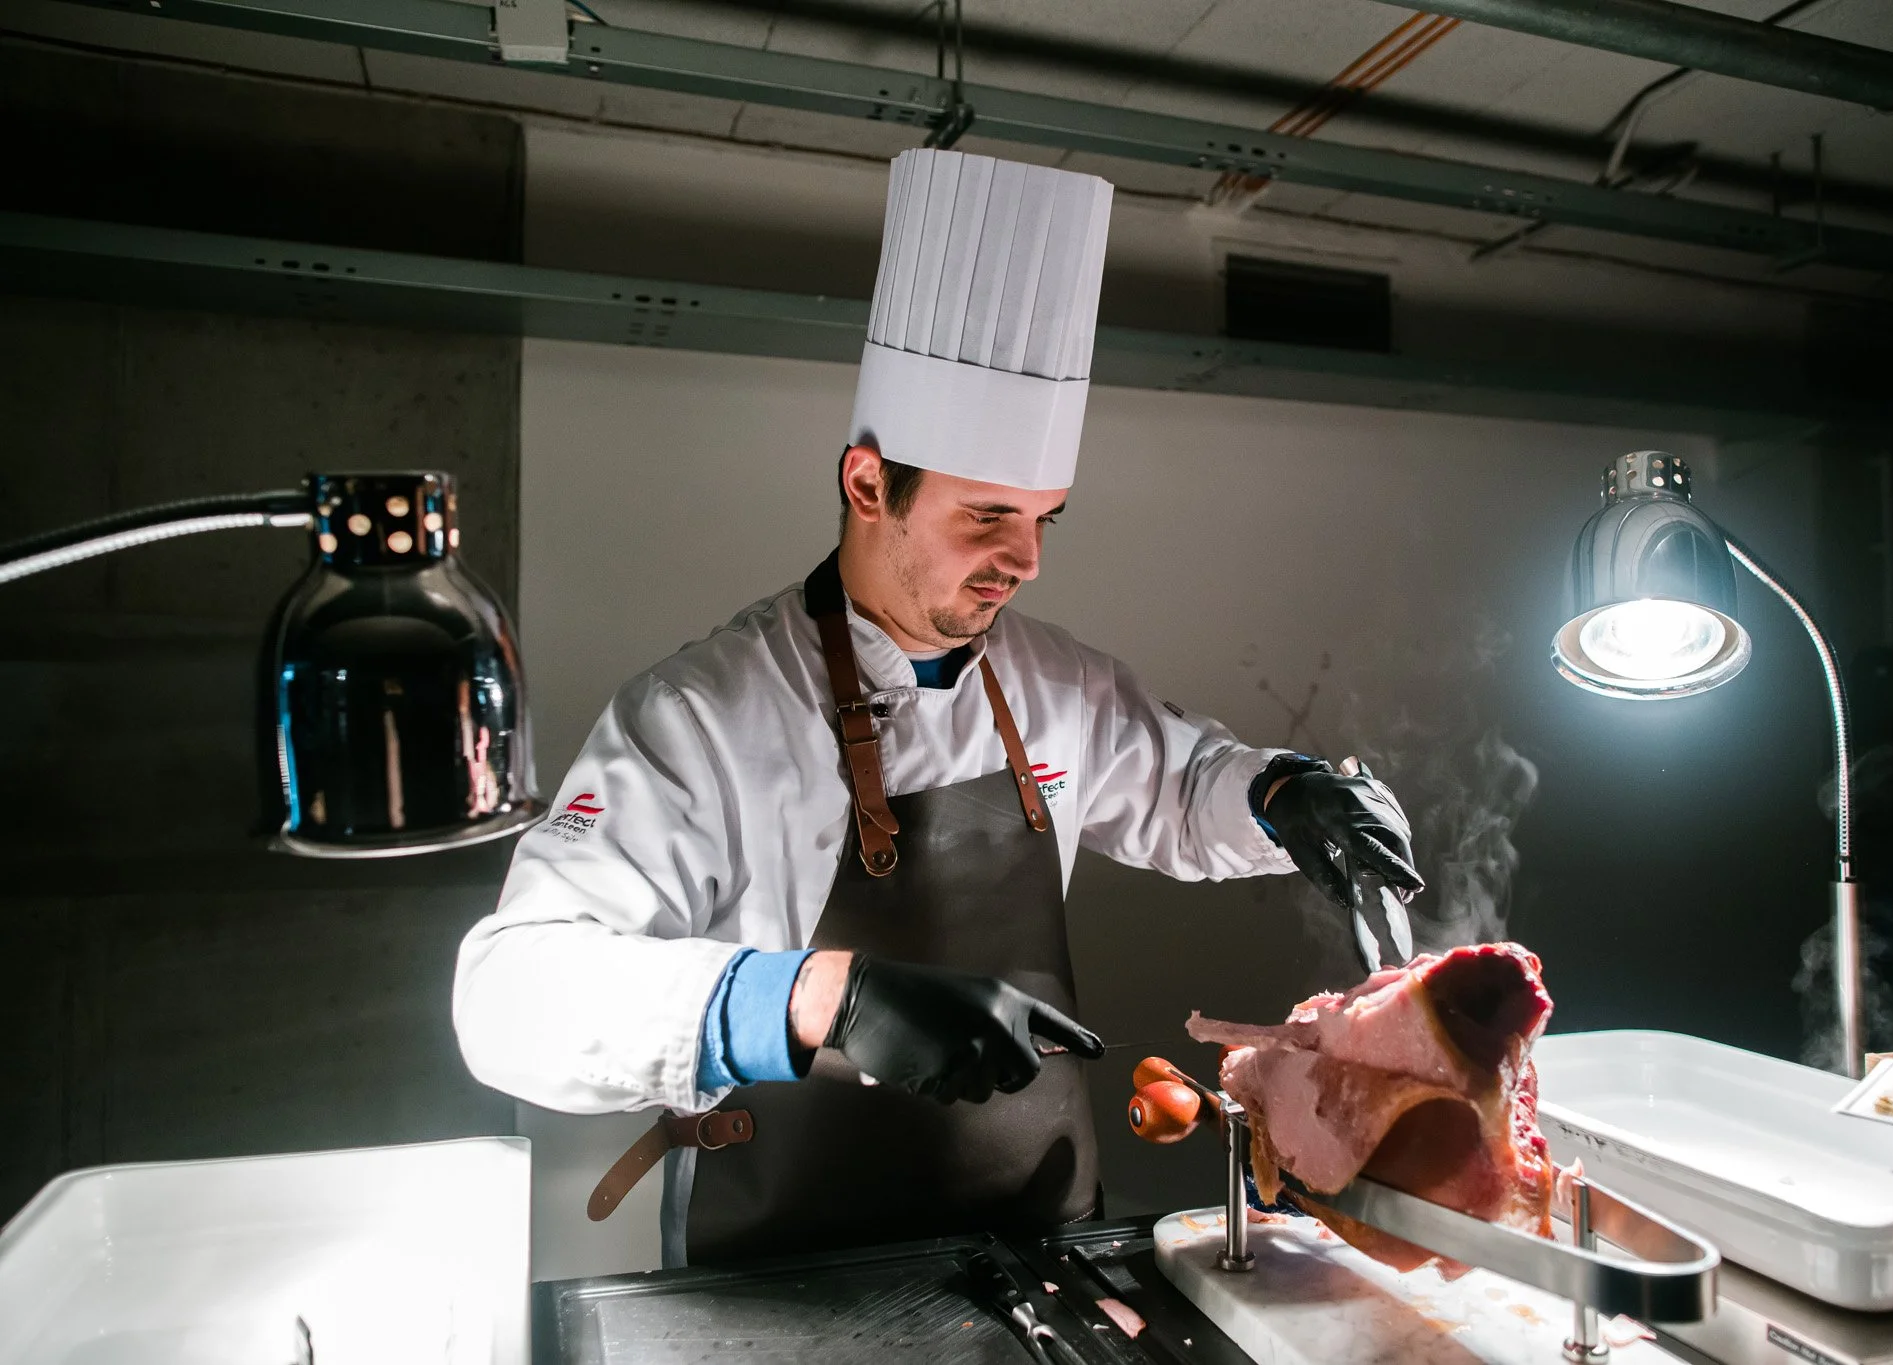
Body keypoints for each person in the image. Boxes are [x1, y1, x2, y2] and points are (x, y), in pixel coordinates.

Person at [452, 147, 1422, 1266]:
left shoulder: (1053, 680)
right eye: (988, 518)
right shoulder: (697, 717)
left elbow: (1177, 782)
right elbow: (508, 997)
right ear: (867, 485)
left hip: (1035, 1251)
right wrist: (818, 998)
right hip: (783, 1283)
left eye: (1046, 519)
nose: (1025, 561)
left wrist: (1282, 794)